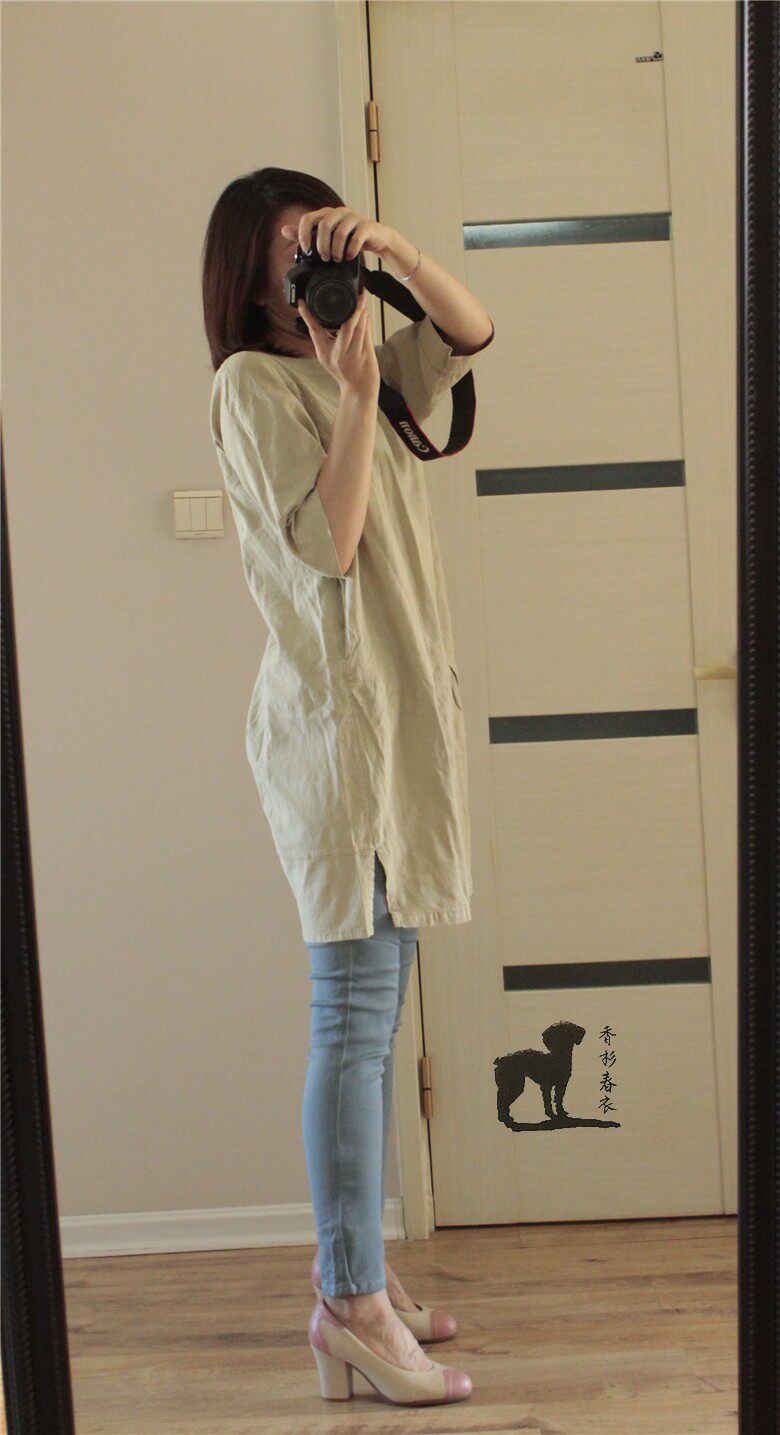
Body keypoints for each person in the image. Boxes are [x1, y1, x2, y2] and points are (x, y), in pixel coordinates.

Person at [202, 167, 494, 1406]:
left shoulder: (357, 357)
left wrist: (396, 252)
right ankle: (350, 1304)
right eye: (285, 250)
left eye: (318, 241)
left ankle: (357, 1274)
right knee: (354, 1018)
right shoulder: (254, 385)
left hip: (399, 730)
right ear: (245, 272)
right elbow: (328, 543)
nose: (306, 267)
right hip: (339, 739)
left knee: (374, 1019)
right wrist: (361, 390)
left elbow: (473, 331)